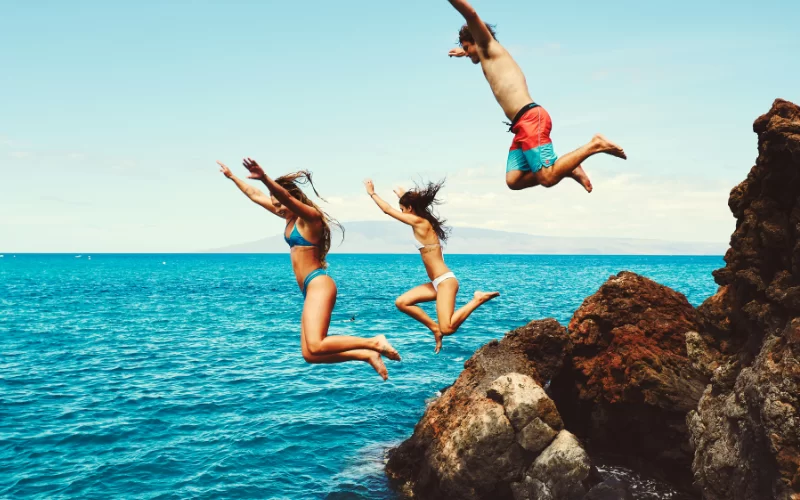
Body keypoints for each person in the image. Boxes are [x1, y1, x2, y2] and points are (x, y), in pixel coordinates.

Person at [217, 158, 401, 380]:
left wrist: (265, 178)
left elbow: (284, 197)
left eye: (280, 203)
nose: (277, 207)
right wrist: (232, 177)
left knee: (317, 342)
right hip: (308, 289)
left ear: (292, 199)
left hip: (319, 284)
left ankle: (374, 342)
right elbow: (256, 196)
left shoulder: (311, 218)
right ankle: (366, 354)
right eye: (275, 204)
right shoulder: (289, 217)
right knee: (310, 354)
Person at [446, 0, 626, 193]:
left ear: (476, 39)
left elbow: (471, 14)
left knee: (547, 177)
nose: (466, 51)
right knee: (514, 180)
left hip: (531, 119)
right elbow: (475, 52)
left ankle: (595, 145)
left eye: (467, 47)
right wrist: (464, 54)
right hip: (520, 126)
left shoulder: (488, 46)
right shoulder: (487, 56)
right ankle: (567, 168)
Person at [364, 178, 499, 354]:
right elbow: (407, 208)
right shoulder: (422, 221)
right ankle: (434, 328)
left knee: (448, 329)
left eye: (403, 210)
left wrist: (372, 193)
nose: (402, 214)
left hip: (445, 282)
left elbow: (387, 210)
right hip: (436, 283)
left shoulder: (421, 223)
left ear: (410, 209)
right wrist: (403, 196)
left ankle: (478, 299)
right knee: (402, 302)